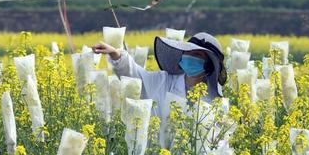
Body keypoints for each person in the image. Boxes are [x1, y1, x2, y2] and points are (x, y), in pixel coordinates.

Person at [92, 32, 227, 116]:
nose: (190, 56)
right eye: (188, 52)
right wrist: (116, 54)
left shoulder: (216, 101)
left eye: (197, 54)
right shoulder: (163, 81)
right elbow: (135, 76)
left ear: (209, 64)